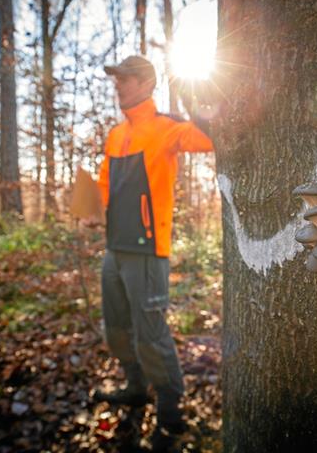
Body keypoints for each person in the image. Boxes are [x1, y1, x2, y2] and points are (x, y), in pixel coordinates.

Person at [90, 55, 214, 450]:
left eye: (125, 80)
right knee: (117, 328)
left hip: (148, 248)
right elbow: (105, 185)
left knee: (151, 335)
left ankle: (171, 415)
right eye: (117, 80)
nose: (118, 86)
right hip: (115, 248)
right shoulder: (115, 135)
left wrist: (196, 98)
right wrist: (92, 211)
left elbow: (208, 139)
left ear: (146, 83)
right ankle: (135, 387)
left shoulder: (167, 127)